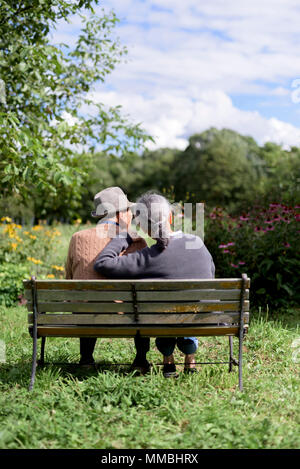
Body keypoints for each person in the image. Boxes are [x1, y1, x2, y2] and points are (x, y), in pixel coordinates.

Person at [94, 192, 215, 378]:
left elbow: (102, 264)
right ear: (170, 217)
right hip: (198, 319)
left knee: (165, 311)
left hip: (162, 321)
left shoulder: (147, 257)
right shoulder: (197, 243)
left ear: (143, 227)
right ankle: (189, 356)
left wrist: (125, 236)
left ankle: (168, 357)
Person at [65, 186, 147, 367]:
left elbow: (69, 278)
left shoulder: (77, 238)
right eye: (128, 211)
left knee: (86, 299)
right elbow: (144, 284)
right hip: (126, 314)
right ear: (120, 214)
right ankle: (141, 359)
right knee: (141, 303)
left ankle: (86, 358)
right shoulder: (136, 240)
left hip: (84, 314)